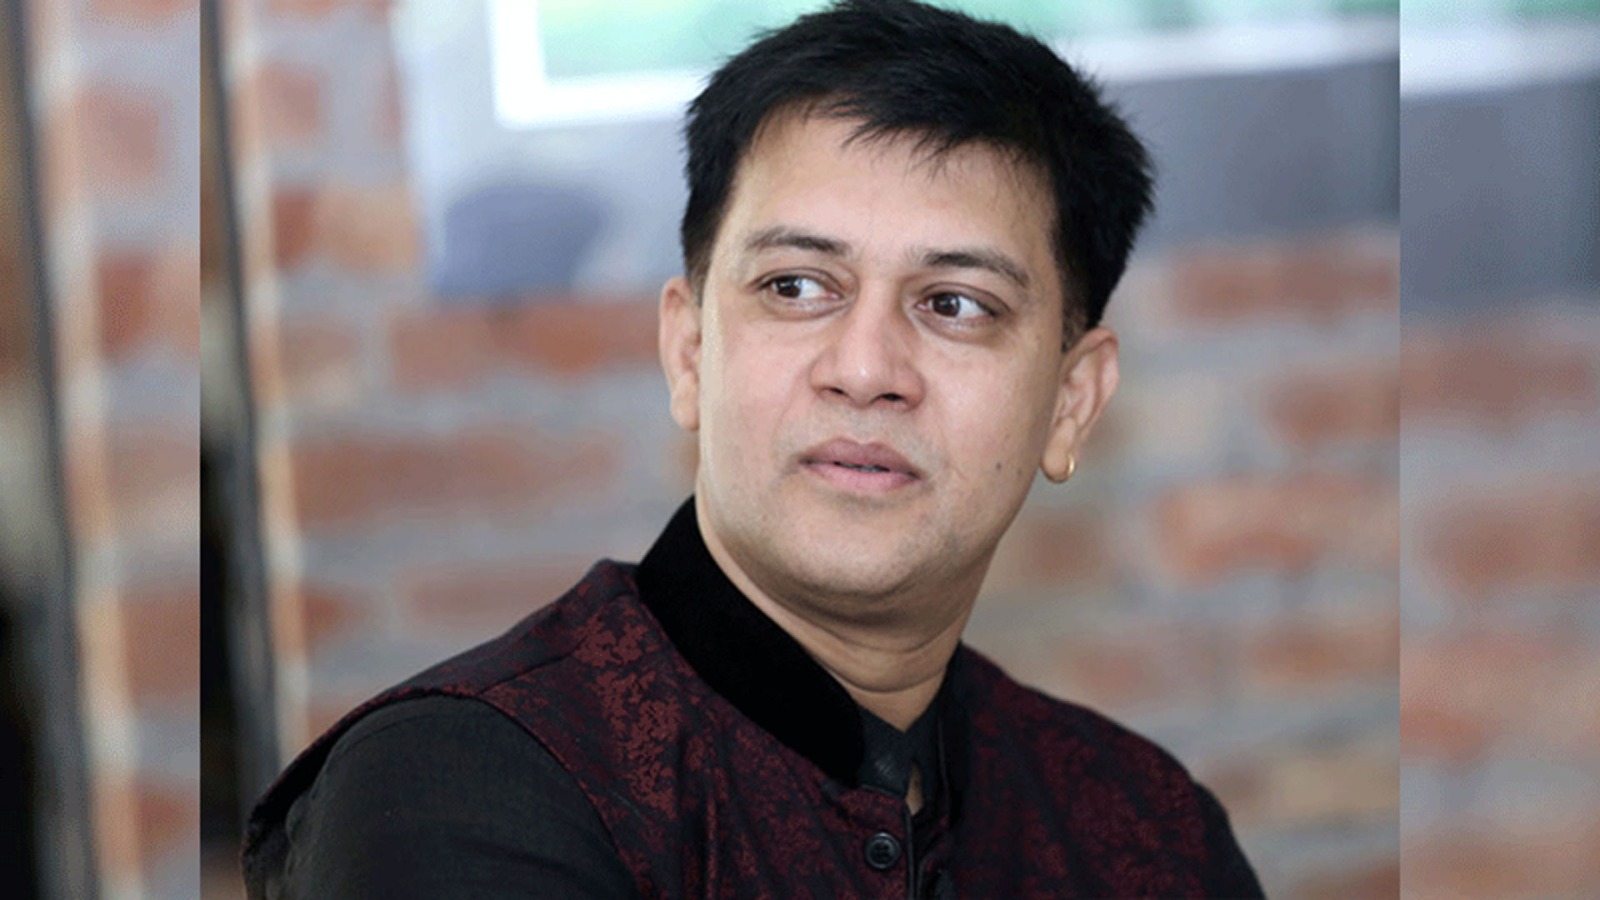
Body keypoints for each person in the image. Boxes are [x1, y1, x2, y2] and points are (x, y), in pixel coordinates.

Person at [243, 1, 1263, 896]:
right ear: (690, 352)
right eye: (796, 287)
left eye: (955, 304)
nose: (865, 369)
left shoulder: (1147, 830)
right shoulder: (465, 784)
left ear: (1071, 401)